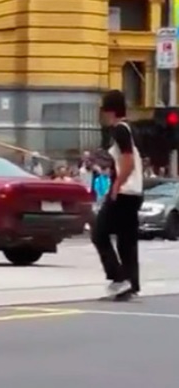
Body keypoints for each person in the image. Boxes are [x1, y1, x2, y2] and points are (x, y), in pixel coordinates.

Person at [91, 89, 143, 301]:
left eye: (104, 110)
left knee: (99, 233)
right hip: (135, 191)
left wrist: (116, 185)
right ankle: (131, 283)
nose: (103, 115)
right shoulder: (129, 129)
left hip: (124, 191)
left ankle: (119, 278)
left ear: (110, 111)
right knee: (126, 240)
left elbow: (128, 162)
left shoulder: (119, 130)